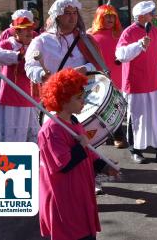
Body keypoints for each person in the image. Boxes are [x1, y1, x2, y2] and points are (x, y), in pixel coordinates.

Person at [38, 68, 119, 240]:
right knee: (74, 234)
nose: (84, 101)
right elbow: (62, 164)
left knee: (86, 233)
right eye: (78, 98)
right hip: (65, 198)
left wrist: (103, 166)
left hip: (80, 192)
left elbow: (88, 153)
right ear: (63, 100)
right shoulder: (51, 130)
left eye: (83, 95)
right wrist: (80, 147)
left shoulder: (74, 121)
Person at [115, 0, 157, 164]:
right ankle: (136, 150)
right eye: (150, 13)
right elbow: (121, 54)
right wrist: (139, 45)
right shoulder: (128, 32)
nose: (154, 15)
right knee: (137, 118)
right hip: (136, 84)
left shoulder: (153, 30)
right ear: (140, 16)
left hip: (153, 83)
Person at [25, 0, 103, 85]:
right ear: (57, 16)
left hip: (82, 94)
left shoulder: (86, 40)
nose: (72, 17)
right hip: (54, 93)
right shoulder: (41, 41)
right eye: (67, 13)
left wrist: (86, 68)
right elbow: (30, 66)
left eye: (74, 13)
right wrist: (41, 74)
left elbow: (98, 65)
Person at [0, 13, 40, 142]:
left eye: (31, 28)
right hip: (11, 95)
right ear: (17, 32)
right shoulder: (8, 44)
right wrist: (17, 56)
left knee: (31, 132)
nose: (30, 32)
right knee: (11, 131)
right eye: (26, 29)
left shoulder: (35, 44)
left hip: (31, 96)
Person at [88, 3, 128, 149]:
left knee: (116, 106)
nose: (110, 19)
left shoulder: (121, 34)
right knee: (101, 107)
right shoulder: (90, 36)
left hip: (118, 75)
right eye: (106, 16)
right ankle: (113, 135)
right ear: (99, 17)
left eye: (112, 16)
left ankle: (117, 134)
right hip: (99, 77)